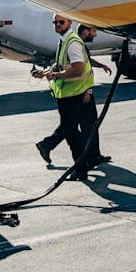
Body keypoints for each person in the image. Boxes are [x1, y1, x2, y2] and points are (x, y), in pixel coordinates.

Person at [33, 15, 98, 180]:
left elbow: (78, 69)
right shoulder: (64, 41)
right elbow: (62, 65)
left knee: (73, 133)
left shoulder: (72, 43)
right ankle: (84, 164)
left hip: (75, 94)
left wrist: (55, 76)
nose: (57, 25)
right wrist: (46, 72)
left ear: (70, 22)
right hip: (71, 94)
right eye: (55, 22)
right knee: (72, 132)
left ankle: (82, 167)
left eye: (61, 22)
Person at [76, 24, 113, 166]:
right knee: (87, 125)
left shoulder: (79, 45)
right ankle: (90, 157)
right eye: (93, 31)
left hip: (82, 91)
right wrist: (87, 91)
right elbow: (81, 71)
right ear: (85, 31)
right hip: (83, 92)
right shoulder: (77, 46)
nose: (95, 35)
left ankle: (94, 155)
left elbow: (87, 62)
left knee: (89, 124)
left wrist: (101, 65)